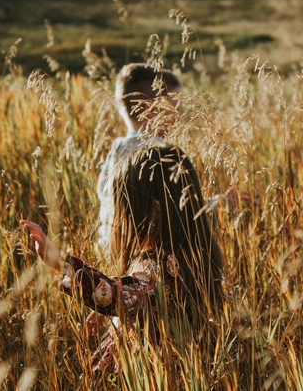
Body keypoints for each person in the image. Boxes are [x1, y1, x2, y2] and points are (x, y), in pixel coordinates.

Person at [23, 146, 226, 389]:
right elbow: (140, 296)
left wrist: (61, 262)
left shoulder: (157, 265)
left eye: (125, 212)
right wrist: (117, 311)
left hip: (151, 375)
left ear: (155, 212)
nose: (118, 221)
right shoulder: (192, 253)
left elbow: (117, 293)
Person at [97, 64, 245, 253]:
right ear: (148, 109)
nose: (176, 115)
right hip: (139, 260)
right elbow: (175, 212)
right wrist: (220, 205)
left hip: (108, 250)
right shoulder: (157, 155)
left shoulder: (116, 150)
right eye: (172, 107)